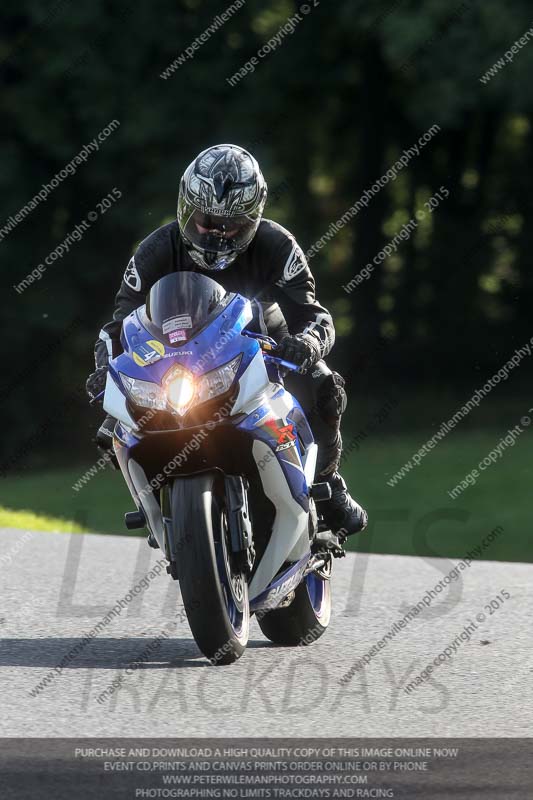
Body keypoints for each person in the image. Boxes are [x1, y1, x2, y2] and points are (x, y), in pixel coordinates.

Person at [86, 143, 367, 541]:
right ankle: (157, 507)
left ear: (253, 219)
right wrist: (104, 371)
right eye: (205, 220)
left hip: (265, 338)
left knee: (325, 386)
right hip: (175, 357)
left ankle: (329, 484)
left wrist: (305, 343)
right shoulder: (154, 251)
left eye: (231, 224)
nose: (216, 233)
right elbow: (118, 326)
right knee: (112, 423)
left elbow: (315, 315)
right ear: (186, 208)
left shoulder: (278, 246)